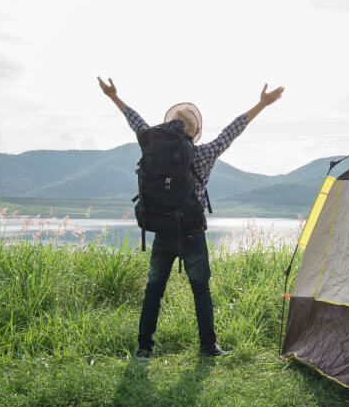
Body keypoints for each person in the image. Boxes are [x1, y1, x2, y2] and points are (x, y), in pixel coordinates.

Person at [97, 76, 284, 358]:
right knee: (200, 290)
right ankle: (208, 346)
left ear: (169, 125)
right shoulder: (205, 153)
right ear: (195, 130)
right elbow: (232, 131)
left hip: (162, 229)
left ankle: (144, 348)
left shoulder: (150, 144)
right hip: (191, 232)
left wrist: (113, 96)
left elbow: (135, 121)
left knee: (154, 290)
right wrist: (262, 104)